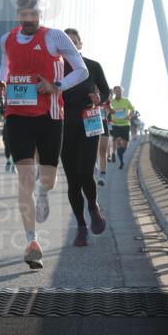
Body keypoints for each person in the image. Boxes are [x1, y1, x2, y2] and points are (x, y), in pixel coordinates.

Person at [0, 0, 87, 269]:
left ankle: (44, 192)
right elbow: (6, 65)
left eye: (33, 14)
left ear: (40, 14)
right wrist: (1, 83)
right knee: (25, 178)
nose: (29, 19)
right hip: (17, 115)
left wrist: (56, 87)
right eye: (24, 14)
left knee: (47, 179)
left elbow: (81, 70)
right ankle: (32, 242)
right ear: (17, 14)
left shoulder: (55, 37)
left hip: (50, 116)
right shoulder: (6, 39)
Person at [60, 29, 110, 246]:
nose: (70, 45)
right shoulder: (55, 68)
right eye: (66, 42)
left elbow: (106, 91)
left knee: (85, 173)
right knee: (72, 180)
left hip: (89, 124)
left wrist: (99, 98)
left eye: (74, 42)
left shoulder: (93, 66)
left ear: (80, 45)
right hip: (64, 127)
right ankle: (81, 228)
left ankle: (93, 206)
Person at [108, 86, 136, 169]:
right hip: (115, 125)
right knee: (118, 142)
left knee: (125, 145)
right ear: (114, 93)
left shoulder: (126, 101)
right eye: (116, 91)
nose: (118, 93)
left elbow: (133, 109)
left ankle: (120, 154)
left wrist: (130, 116)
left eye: (120, 91)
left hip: (125, 124)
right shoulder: (111, 102)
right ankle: (121, 162)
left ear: (122, 92)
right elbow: (107, 109)